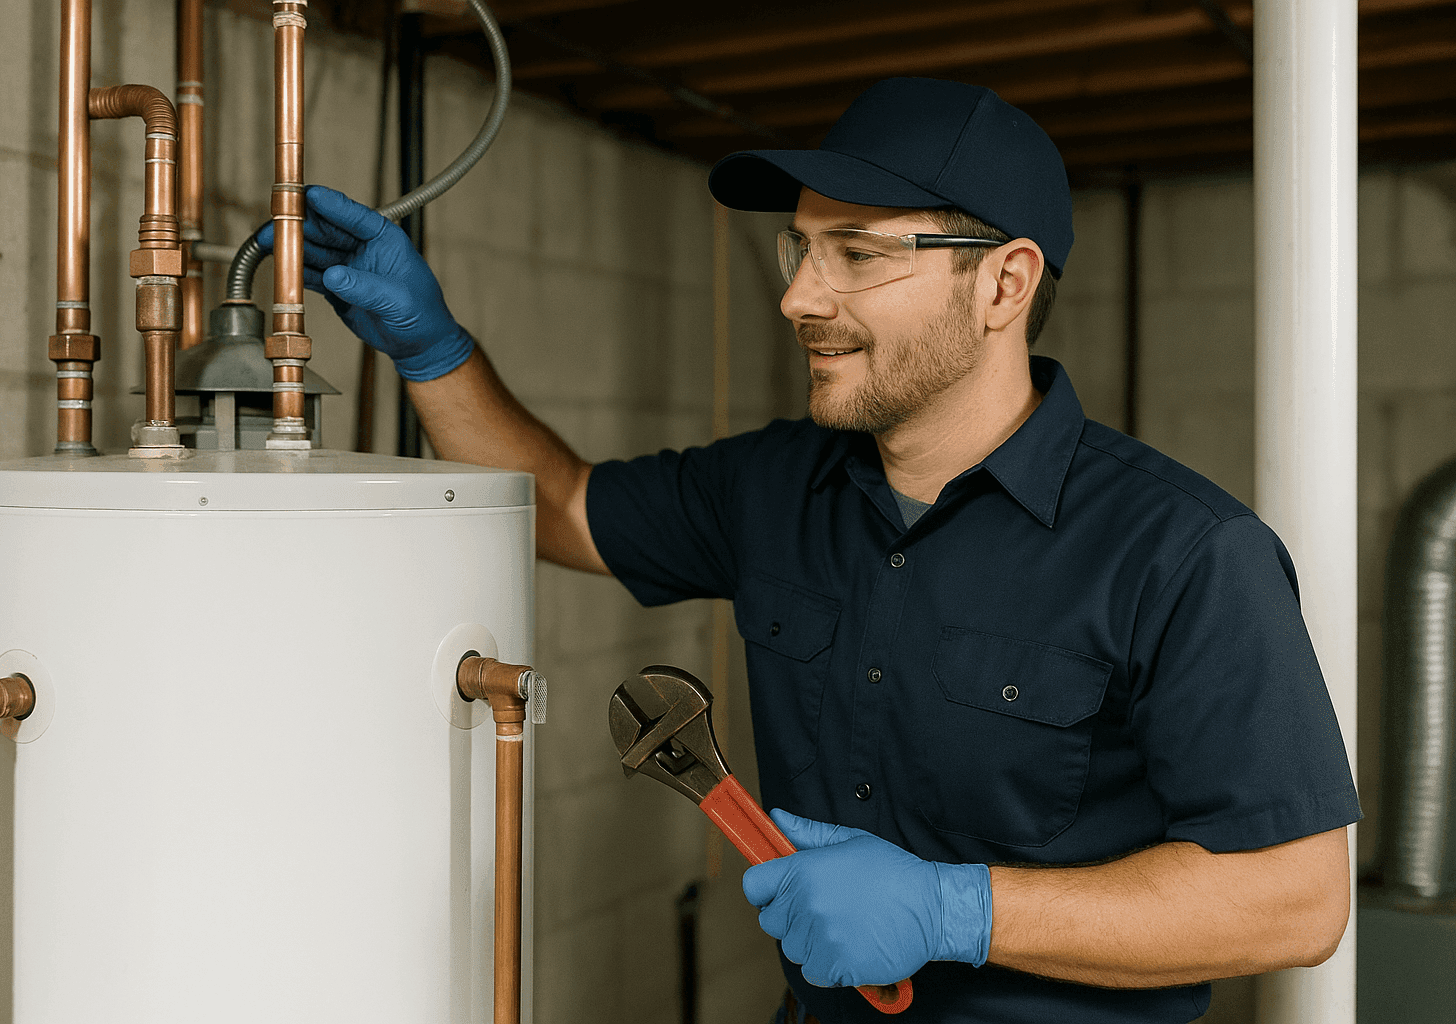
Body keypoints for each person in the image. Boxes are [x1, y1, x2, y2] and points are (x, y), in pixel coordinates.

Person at [261, 77, 1360, 1024]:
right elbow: (561, 508)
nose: (797, 295)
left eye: (858, 253)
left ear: (1004, 283)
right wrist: (431, 344)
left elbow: (1296, 897)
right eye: (799, 245)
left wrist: (955, 911)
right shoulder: (777, 483)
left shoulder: (1185, 552)